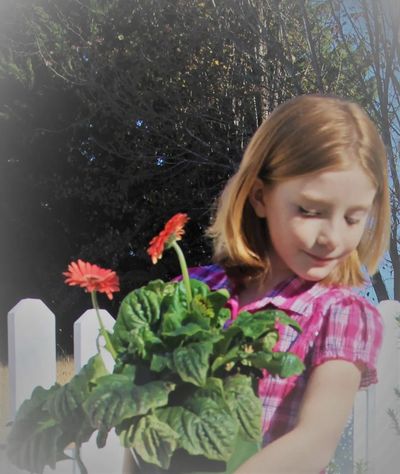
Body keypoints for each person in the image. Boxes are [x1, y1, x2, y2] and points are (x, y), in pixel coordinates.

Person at [123, 94, 390, 473]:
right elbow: (144, 426)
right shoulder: (195, 290)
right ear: (261, 196)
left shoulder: (342, 315)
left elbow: (314, 441)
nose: (332, 236)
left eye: (353, 218)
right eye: (311, 211)